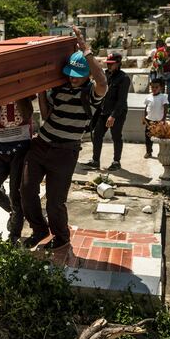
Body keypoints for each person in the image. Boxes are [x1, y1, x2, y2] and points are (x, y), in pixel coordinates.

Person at [21, 26, 107, 251]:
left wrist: (85, 49)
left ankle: (61, 238)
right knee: (27, 190)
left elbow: (103, 82)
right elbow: (49, 114)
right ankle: (39, 230)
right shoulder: (60, 89)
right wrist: (41, 92)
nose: (73, 78)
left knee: (55, 203)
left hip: (65, 153)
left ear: (87, 74)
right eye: (71, 73)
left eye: (78, 75)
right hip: (41, 145)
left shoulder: (90, 94)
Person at [0, 97, 34, 244]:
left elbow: (27, 114)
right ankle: (14, 212)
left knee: (15, 193)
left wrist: (17, 94)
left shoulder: (22, 90)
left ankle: (14, 234)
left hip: (21, 143)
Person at [83, 52, 130, 171]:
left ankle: (116, 161)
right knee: (97, 134)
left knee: (116, 136)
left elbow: (121, 100)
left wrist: (113, 116)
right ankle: (95, 160)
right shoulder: (105, 75)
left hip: (117, 113)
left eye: (111, 64)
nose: (109, 66)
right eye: (108, 64)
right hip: (103, 111)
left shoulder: (124, 78)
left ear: (118, 64)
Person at [142, 78, 169, 159]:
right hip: (149, 121)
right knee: (148, 138)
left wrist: (163, 119)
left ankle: (163, 153)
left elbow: (165, 108)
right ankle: (148, 152)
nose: (154, 89)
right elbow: (146, 107)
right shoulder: (148, 97)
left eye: (156, 87)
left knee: (161, 138)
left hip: (159, 121)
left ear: (160, 87)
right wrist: (144, 117)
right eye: (153, 87)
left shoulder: (163, 97)